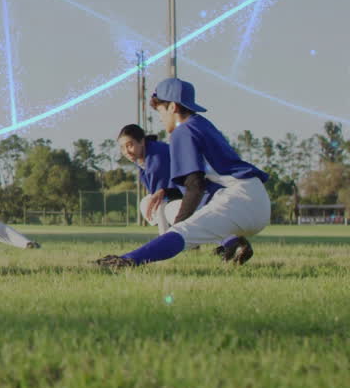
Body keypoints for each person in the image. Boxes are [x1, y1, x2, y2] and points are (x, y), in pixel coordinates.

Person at [96, 78, 270, 269]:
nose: (160, 118)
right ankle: (232, 244)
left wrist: (178, 227)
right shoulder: (200, 123)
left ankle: (126, 261)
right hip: (251, 196)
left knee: (181, 230)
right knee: (173, 210)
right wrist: (168, 194)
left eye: (160, 110)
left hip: (239, 199)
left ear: (173, 107)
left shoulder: (183, 130)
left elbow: (195, 186)